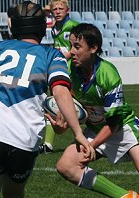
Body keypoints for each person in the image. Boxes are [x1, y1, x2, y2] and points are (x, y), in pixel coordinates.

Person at [0, 1, 95, 198]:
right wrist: (78, 133)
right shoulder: (51, 55)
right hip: (25, 139)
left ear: (13, 25)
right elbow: (61, 92)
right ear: (40, 27)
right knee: (14, 193)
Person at [48, 23, 139, 198]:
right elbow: (69, 110)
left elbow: (114, 124)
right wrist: (61, 126)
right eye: (71, 46)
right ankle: (126, 197)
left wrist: (92, 145)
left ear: (93, 48)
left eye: (77, 46)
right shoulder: (68, 70)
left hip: (123, 128)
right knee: (66, 166)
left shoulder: (108, 74)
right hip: (95, 128)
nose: (72, 52)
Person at [40, 0, 80, 154]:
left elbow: (76, 48)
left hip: (72, 73)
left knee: (76, 108)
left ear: (67, 10)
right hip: (60, 72)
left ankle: (86, 138)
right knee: (54, 106)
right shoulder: (54, 28)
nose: (57, 11)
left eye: (60, 9)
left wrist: (64, 56)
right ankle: (47, 144)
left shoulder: (73, 27)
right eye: (54, 9)